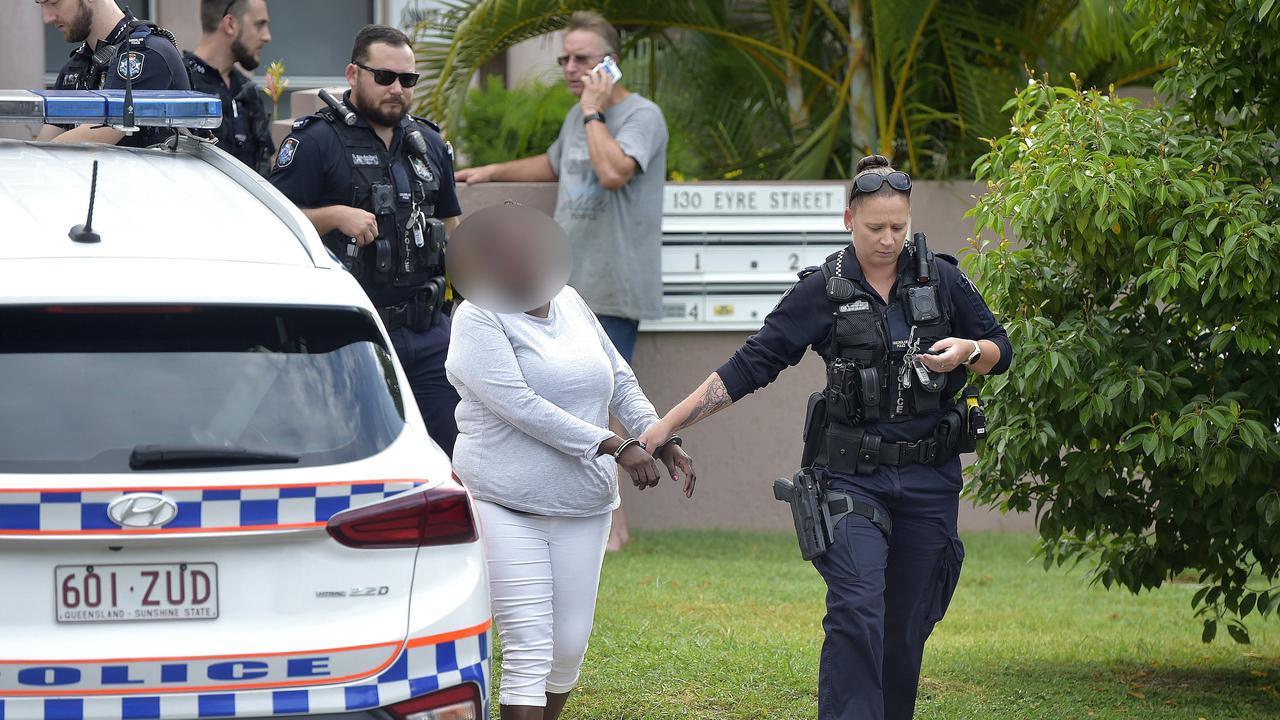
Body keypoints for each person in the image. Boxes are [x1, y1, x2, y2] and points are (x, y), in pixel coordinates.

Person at [640, 155, 1015, 720]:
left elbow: (1000, 350)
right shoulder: (823, 289)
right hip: (850, 480)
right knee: (857, 610)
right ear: (848, 220)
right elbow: (752, 363)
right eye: (875, 228)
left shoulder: (942, 278)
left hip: (929, 477)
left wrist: (968, 351)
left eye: (898, 226)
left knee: (905, 625)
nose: (888, 239)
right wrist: (667, 424)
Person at [444, 203, 693, 720]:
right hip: (504, 504)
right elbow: (519, 404)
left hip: (583, 504)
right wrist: (613, 445)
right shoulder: (476, 318)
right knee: (529, 649)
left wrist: (656, 435)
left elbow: (619, 379)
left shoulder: (572, 302)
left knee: (568, 649)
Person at [456, 10, 669, 549]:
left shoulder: (640, 117)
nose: (571, 69)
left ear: (611, 65)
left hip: (612, 284)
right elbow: (555, 165)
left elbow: (612, 172)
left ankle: (613, 522)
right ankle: (578, 512)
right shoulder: (579, 120)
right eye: (565, 59)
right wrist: (489, 173)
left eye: (583, 59)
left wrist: (595, 112)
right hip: (561, 286)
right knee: (560, 399)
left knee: (602, 393)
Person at [270, 24, 463, 456]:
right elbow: (270, 222)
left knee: (458, 458)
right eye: (384, 77)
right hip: (352, 336)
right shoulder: (315, 141)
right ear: (353, 74)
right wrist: (334, 215)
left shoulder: (428, 143)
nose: (397, 89)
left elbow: (453, 230)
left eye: (407, 80)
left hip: (431, 336)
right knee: (360, 458)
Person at [37, 0, 191, 148]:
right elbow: (46, 141)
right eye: (41, 4)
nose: (47, 17)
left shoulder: (148, 54)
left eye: (54, 2)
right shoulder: (76, 66)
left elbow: (94, 138)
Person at [184, 0, 274, 175]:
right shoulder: (181, 87)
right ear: (230, 24)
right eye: (259, 25)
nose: (267, 36)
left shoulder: (247, 91)